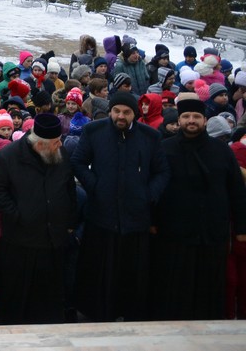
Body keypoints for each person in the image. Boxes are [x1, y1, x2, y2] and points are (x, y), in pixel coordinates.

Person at [69, 89, 168, 322]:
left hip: (135, 218)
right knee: (101, 271)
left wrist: (147, 195)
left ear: (134, 113)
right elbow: (78, 162)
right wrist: (96, 186)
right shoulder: (94, 131)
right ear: (110, 111)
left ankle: (130, 311)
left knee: (132, 273)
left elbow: (162, 171)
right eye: (116, 111)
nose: (120, 117)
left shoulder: (150, 137)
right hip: (102, 216)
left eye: (125, 112)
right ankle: (100, 312)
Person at [152, 99, 246, 320]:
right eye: (186, 117)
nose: (191, 121)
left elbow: (236, 190)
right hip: (175, 233)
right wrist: (152, 221)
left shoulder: (221, 150)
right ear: (180, 120)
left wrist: (242, 227)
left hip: (211, 232)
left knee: (209, 285)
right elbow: (154, 189)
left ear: (205, 120)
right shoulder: (165, 149)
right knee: (176, 284)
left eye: (196, 117)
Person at [0, 112, 77, 325]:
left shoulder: (58, 153)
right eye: (55, 143)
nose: (59, 146)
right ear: (40, 144)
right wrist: (18, 215)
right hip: (20, 242)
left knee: (49, 299)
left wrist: (69, 221)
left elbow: (69, 189)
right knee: (16, 299)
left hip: (52, 240)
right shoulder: (8, 157)